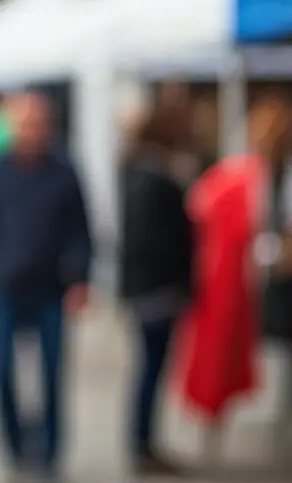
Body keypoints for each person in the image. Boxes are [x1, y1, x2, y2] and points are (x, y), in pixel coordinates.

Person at [0, 92, 92, 482]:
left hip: (50, 286)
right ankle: (15, 445)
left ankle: (50, 451)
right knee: (0, 369)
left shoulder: (64, 171)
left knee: (53, 374)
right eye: (24, 124)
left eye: (38, 124)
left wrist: (80, 278)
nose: (32, 132)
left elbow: (81, 228)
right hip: (1, 286)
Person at [178, 95, 288, 452]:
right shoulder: (239, 176)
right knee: (221, 358)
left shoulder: (248, 175)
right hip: (230, 282)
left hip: (245, 282)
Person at [119, 102, 194, 475]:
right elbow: (154, 238)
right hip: (157, 288)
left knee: (149, 368)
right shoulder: (155, 176)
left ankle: (143, 442)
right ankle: (142, 444)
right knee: (151, 369)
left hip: (148, 286)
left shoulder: (140, 170)